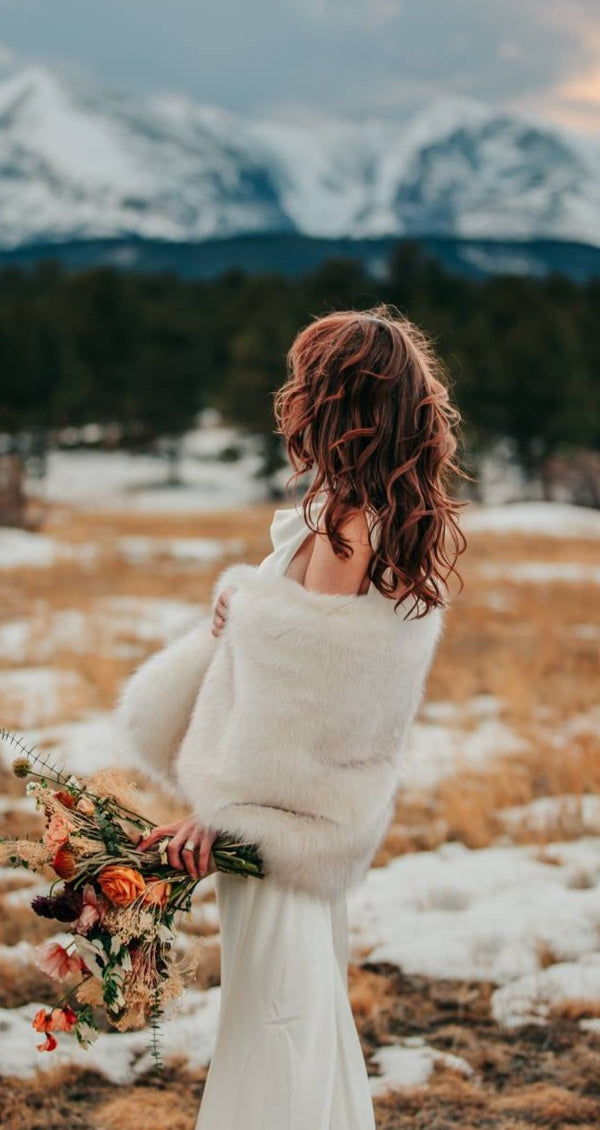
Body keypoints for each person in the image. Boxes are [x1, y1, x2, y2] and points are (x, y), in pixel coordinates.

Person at [119, 305, 467, 1129]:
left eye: (305, 382)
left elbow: (304, 694)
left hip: (280, 818)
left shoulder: (347, 524)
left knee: (278, 1025)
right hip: (311, 819)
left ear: (336, 401)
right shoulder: (370, 516)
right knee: (298, 1013)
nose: (291, 398)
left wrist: (223, 816)